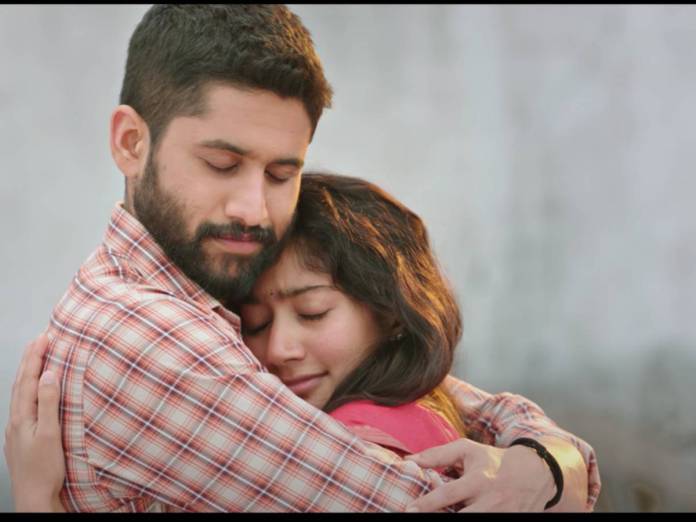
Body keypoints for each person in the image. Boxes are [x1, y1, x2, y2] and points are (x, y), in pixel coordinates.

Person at [3, 4, 599, 512]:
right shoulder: (148, 337)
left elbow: (402, 369)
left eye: (281, 174)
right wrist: (550, 476)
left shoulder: (201, 283)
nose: (252, 209)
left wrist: (549, 459)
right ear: (131, 142)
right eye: (221, 164)